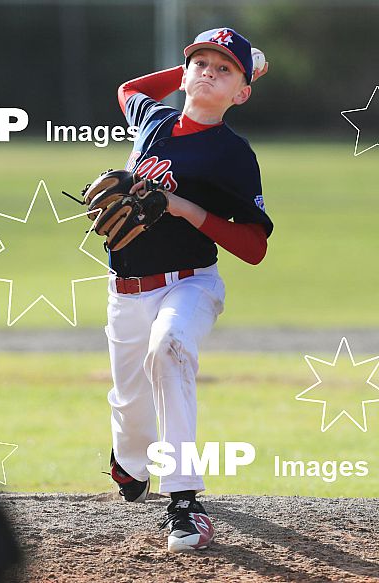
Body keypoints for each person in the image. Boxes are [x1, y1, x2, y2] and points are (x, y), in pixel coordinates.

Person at [105, 27, 273, 553]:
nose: (208, 73)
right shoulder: (153, 121)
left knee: (170, 347)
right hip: (126, 291)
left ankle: (184, 501)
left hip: (191, 284)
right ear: (184, 73)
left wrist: (185, 209)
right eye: (200, 63)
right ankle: (129, 462)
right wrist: (185, 75)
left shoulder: (232, 155)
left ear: (241, 94)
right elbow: (130, 90)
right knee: (130, 405)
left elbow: (254, 247)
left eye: (225, 70)